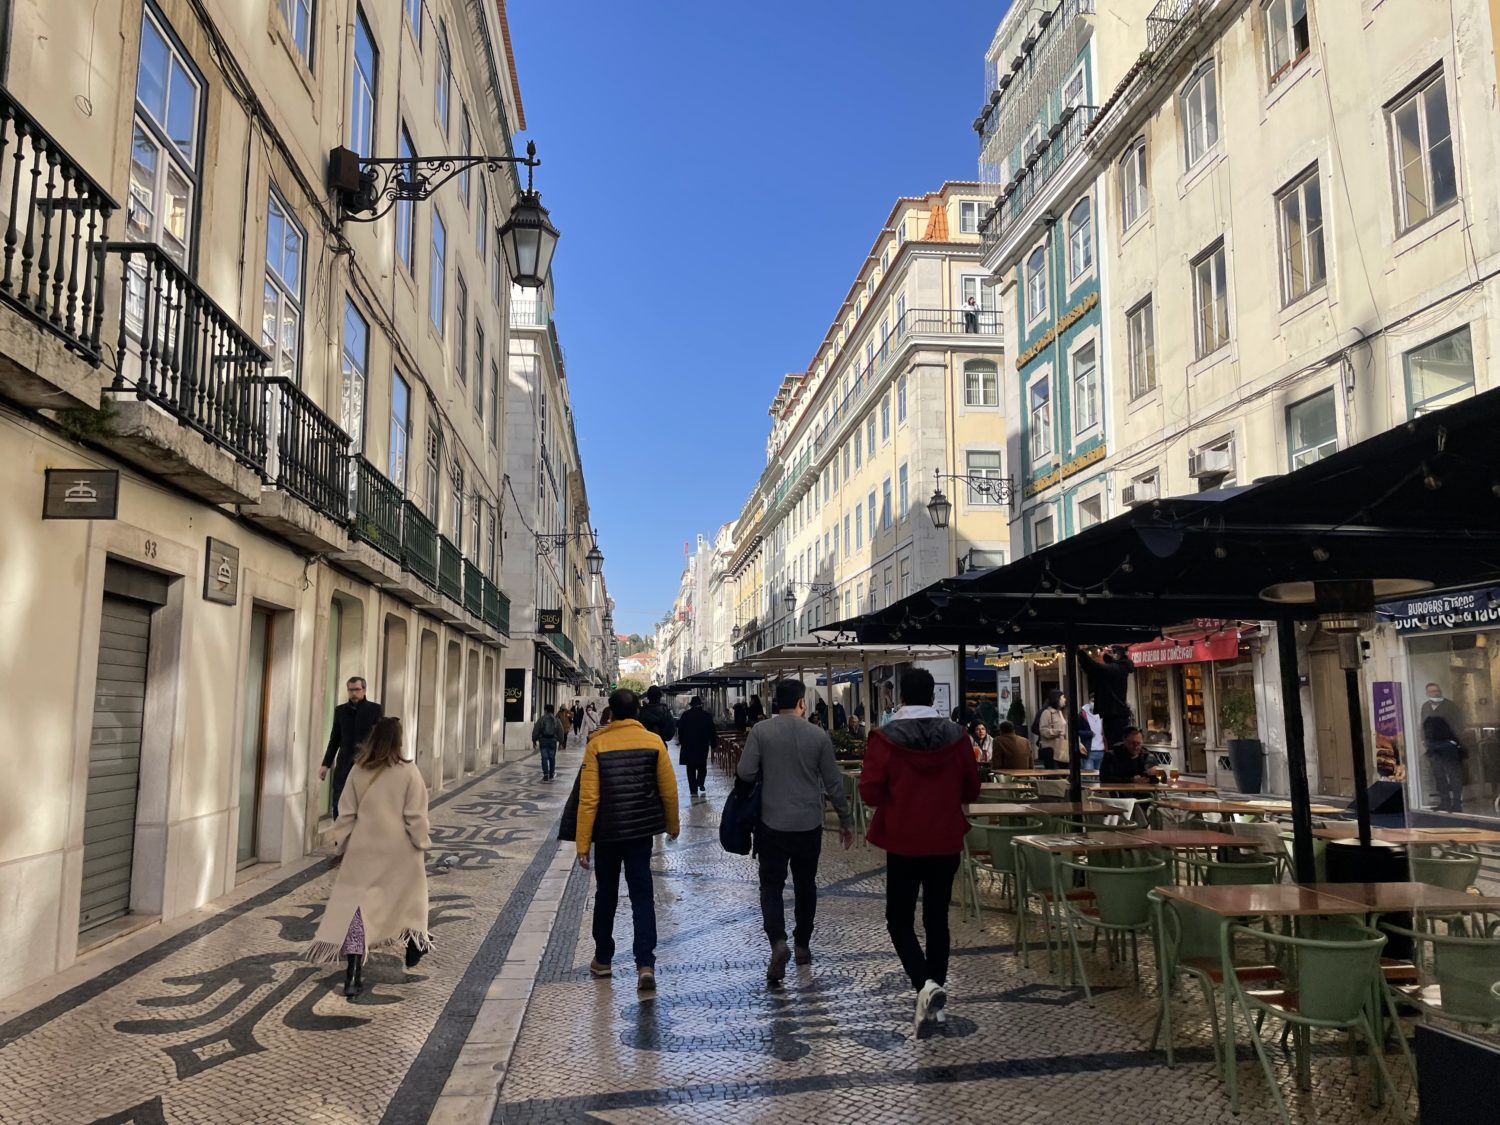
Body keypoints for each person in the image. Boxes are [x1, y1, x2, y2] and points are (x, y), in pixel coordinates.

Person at [859, 668, 980, 1032]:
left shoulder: (885, 738)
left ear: (901, 697)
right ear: (932, 697)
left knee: (898, 919)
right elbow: (971, 789)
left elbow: (869, 791)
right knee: (936, 919)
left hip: (904, 840)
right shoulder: (957, 736)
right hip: (945, 840)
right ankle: (934, 990)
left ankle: (924, 985)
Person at [306, 717, 432, 998]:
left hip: (363, 851)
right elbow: (415, 816)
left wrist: (342, 847)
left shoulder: (358, 770)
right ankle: (414, 945)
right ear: (399, 741)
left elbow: (346, 813)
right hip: (400, 851)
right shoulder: (408, 772)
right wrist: (421, 842)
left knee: (357, 911)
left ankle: (353, 974)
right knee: (411, 898)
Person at [738, 678, 853, 984]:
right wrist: (845, 819)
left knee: (771, 887)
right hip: (808, 823)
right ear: (803, 702)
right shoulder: (818, 735)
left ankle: (778, 942)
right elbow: (833, 782)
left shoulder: (761, 731)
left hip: (771, 823)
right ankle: (802, 944)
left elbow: (745, 772)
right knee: (806, 885)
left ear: (776, 703)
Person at [576, 688, 680, 993]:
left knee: (605, 895)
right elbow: (669, 789)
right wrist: (672, 825)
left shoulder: (597, 743)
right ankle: (645, 963)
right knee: (642, 896)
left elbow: (589, 799)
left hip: (607, 834)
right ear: (637, 712)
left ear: (613, 711)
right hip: (639, 834)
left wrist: (583, 844)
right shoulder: (653, 741)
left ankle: (603, 959)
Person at [322, 676, 383, 816]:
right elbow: (334, 739)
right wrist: (326, 764)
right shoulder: (340, 711)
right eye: (350, 690)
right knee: (338, 802)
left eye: (356, 689)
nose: (353, 693)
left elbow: (379, 739)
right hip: (344, 764)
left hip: (366, 764)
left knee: (362, 805)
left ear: (364, 690)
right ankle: (340, 836)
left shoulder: (375, 709)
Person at [1420, 682, 1468, 812]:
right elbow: (1423, 724)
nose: (1434, 693)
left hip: (1448, 745)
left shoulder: (1450, 706)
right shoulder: (1425, 706)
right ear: (1427, 693)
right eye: (1431, 691)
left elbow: (1459, 723)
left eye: (1436, 691)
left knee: (1454, 774)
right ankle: (1445, 802)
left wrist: (1454, 741)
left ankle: (1457, 803)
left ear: (1440, 691)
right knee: (1439, 775)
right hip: (1433, 746)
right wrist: (1424, 740)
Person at [1078, 645, 1136, 749]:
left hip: (1115, 715)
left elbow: (1096, 668)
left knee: (1115, 746)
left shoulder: (1118, 669)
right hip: (1113, 713)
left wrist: (1080, 652)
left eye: (1112, 650)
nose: (1107, 650)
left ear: (1117, 654)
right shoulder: (1117, 668)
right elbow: (1096, 669)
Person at [676, 695, 718, 800]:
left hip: (688, 746)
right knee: (702, 766)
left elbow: (680, 730)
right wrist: (713, 744)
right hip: (702, 745)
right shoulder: (707, 716)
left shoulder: (685, 715)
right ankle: (700, 781)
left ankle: (693, 789)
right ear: (701, 705)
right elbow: (712, 732)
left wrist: (682, 741)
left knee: (690, 769)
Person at [1036, 689, 1070, 769]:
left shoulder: (1063, 713)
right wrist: (1056, 732)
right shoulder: (1047, 713)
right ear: (1057, 699)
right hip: (1053, 750)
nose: (1064, 699)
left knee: (1066, 774)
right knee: (1055, 775)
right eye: (1062, 697)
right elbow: (1043, 730)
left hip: (1064, 749)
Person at [531, 703, 564, 781]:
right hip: (553, 741)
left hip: (543, 741)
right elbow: (560, 731)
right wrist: (561, 742)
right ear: (553, 711)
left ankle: (546, 774)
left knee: (544, 757)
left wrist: (534, 740)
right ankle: (551, 773)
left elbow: (536, 730)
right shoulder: (556, 720)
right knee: (552, 758)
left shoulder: (541, 719)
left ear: (545, 710)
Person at [1080, 703, 1106, 772]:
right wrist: (1089, 733)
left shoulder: (1104, 714)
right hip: (1089, 752)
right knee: (1089, 779)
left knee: (1102, 778)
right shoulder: (1082, 715)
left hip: (1102, 752)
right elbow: (1076, 731)